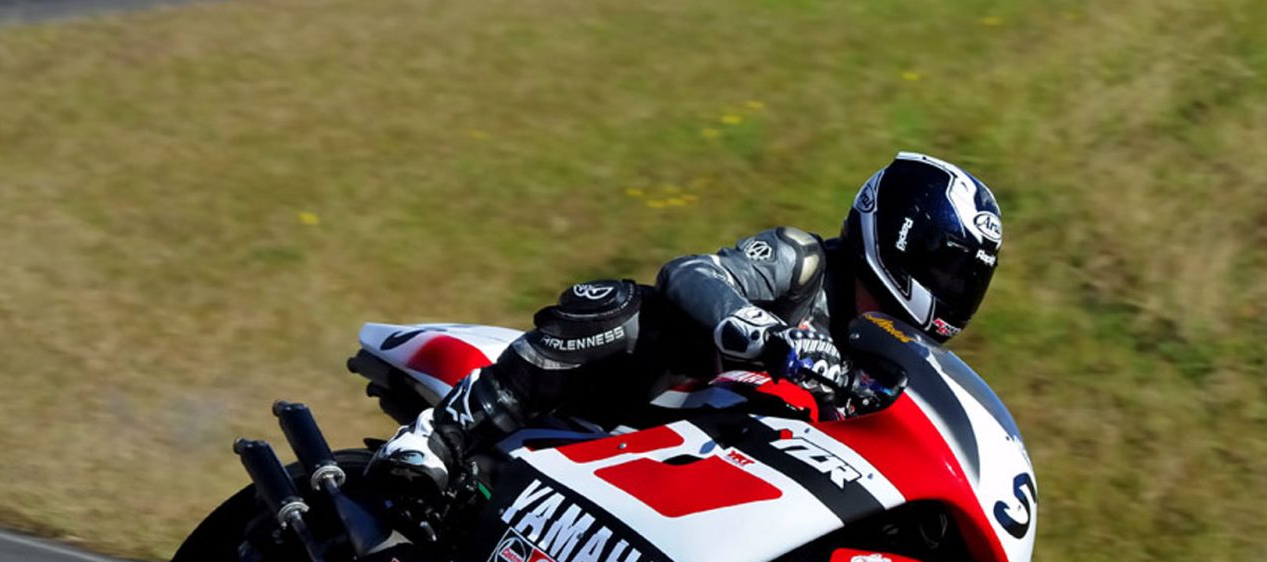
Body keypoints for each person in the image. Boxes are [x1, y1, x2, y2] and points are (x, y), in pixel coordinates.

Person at [373, 151, 1004, 493]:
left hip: (719, 473)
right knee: (621, 308)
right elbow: (692, 273)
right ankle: (439, 438)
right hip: (639, 406)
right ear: (901, 239)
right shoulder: (803, 261)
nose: (952, 292)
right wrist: (762, 333)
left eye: (965, 283)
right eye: (947, 271)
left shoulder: (892, 356)